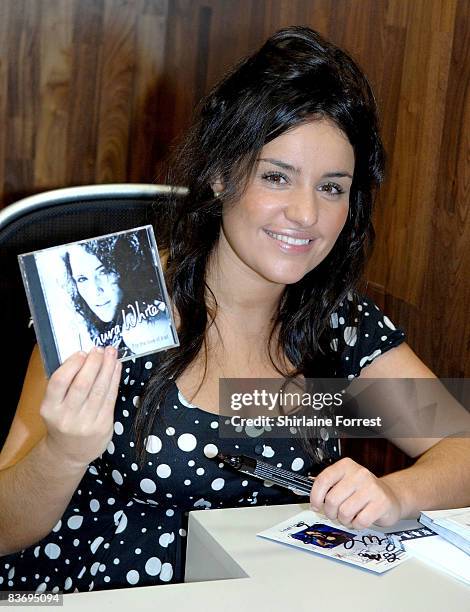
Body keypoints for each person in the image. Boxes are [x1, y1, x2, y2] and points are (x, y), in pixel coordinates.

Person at [0, 26, 469, 594]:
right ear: (222, 175)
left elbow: (461, 446)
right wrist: (62, 453)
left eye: (332, 187)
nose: (305, 214)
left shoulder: (335, 320)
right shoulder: (116, 300)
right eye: (277, 177)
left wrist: (397, 494)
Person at [62, 232, 175, 358]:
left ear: (125, 268)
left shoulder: (143, 326)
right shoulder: (100, 331)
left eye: (104, 271)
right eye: (82, 279)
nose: (95, 291)